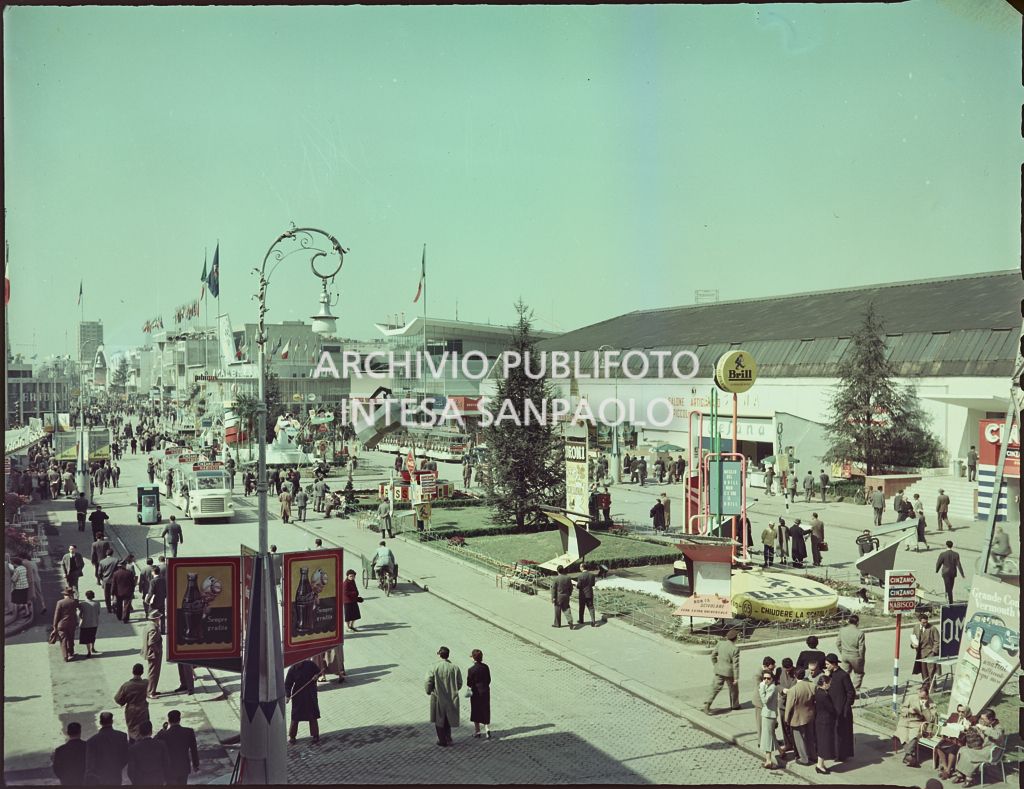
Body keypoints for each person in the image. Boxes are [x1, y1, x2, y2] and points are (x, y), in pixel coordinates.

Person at [953, 708, 1004, 786]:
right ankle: (961, 774)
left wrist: (984, 728)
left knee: (970, 754)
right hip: (983, 748)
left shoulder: (998, 727)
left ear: (990, 719)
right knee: (963, 750)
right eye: (981, 718)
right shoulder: (986, 724)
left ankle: (969, 778)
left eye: (984, 719)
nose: (982, 720)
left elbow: (997, 736)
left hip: (991, 751)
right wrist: (972, 729)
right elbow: (981, 734)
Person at [426, 645, 463, 746]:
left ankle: (442, 740)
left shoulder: (434, 667)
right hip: (451, 697)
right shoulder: (455, 667)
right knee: (447, 718)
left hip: (437, 697)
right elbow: (459, 683)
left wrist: (429, 691)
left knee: (439, 719)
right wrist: (453, 689)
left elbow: (429, 681)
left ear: (439, 655)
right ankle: (448, 737)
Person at [783, 662, 817, 766]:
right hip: (810, 716)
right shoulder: (812, 685)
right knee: (810, 737)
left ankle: (804, 758)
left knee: (799, 739)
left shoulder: (793, 690)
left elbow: (789, 707)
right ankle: (813, 756)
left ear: (795, 675)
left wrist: (786, 719)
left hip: (797, 718)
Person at [84, 711, 130, 786]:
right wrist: (117, 767)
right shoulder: (121, 736)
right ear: (112, 721)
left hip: (100, 778)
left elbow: (90, 764)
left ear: (100, 722)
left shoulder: (92, 741)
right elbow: (126, 757)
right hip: (116, 774)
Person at [895, 686, 936, 767]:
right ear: (918, 694)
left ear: (927, 696)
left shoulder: (931, 703)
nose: (922, 700)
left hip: (918, 723)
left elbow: (931, 719)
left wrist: (925, 708)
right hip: (906, 721)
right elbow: (902, 708)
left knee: (913, 736)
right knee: (903, 734)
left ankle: (908, 756)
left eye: (924, 698)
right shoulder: (911, 697)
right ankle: (910, 756)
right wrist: (908, 710)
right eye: (920, 697)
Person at [824, 653, 856, 761]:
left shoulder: (843, 675)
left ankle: (842, 755)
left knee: (842, 734)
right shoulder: (830, 675)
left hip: (842, 710)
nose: (826, 666)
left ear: (834, 664)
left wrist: (846, 707)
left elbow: (850, 692)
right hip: (833, 709)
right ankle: (835, 753)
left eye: (828, 664)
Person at [155, 710, 199, 785]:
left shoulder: (163, 734)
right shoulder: (189, 732)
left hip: (169, 768)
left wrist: (163, 730)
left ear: (168, 720)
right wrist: (196, 764)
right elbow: (194, 749)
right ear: (179, 720)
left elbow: (154, 742)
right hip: (183, 767)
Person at [284, 657, 321, 744]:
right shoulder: (292, 669)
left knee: (312, 715)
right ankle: (292, 736)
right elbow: (287, 684)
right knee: (295, 716)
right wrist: (288, 695)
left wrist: (317, 676)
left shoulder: (310, 664)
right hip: (298, 695)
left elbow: (319, 671)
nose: (297, 664)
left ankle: (315, 735)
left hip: (310, 693)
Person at [703, 628, 740, 714]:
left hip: (719, 671)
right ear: (735, 638)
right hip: (729, 673)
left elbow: (713, 656)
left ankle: (707, 705)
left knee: (715, 688)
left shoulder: (720, 644)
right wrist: (736, 678)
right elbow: (736, 665)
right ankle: (735, 705)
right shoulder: (735, 649)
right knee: (734, 689)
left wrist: (716, 664)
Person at [114, 664, 151, 742]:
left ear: (132, 672)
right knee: (143, 729)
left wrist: (123, 702)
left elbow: (117, 698)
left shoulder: (126, 686)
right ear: (142, 672)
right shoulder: (145, 683)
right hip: (143, 709)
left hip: (131, 710)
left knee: (132, 730)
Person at [126, 719, 170, 785]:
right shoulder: (161, 745)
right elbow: (166, 764)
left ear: (140, 732)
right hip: (158, 780)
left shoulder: (133, 748)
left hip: (141, 782)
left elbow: (130, 771)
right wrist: (164, 779)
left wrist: (136, 783)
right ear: (151, 731)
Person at [813, 673, 836, 774]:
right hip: (825, 722)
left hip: (819, 720)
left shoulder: (818, 692)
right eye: (829, 684)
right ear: (824, 683)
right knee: (824, 743)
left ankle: (820, 764)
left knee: (821, 742)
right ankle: (819, 765)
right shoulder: (824, 695)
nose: (830, 685)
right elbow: (831, 709)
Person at [911, 613, 941, 692]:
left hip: (930, 653)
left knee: (931, 671)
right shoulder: (916, 628)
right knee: (923, 671)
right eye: (923, 622)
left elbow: (937, 641)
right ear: (919, 621)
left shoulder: (932, 628)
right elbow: (913, 638)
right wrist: (913, 645)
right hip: (920, 653)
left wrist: (934, 652)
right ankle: (925, 686)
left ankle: (932, 687)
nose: (925, 624)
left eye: (926, 622)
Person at [52, 721, 88, 786]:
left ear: (67, 733)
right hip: (85, 782)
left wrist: (65, 778)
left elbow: (56, 769)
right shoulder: (88, 746)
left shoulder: (60, 750)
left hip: (68, 783)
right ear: (80, 732)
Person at [836, 615, 865, 691]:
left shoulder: (842, 630)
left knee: (845, 674)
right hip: (855, 656)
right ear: (857, 622)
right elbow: (861, 648)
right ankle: (854, 690)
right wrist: (861, 658)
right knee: (858, 673)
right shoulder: (860, 633)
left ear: (849, 621)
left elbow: (838, 643)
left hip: (845, 655)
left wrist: (842, 652)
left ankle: (844, 690)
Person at [776, 657, 798, 759]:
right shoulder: (779, 671)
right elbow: (776, 684)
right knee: (784, 725)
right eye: (786, 670)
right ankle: (788, 743)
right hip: (782, 703)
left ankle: (796, 744)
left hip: (793, 703)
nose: (788, 672)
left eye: (790, 669)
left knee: (792, 725)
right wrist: (782, 690)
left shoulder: (797, 671)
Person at [467, 648, 492, 739]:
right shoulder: (485, 667)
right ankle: (487, 728)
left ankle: (477, 731)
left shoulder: (471, 670)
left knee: (476, 710)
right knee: (485, 709)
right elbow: (489, 679)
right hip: (485, 691)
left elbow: (469, 683)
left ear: (473, 658)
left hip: (476, 692)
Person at [758, 668, 780, 770]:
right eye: (764, 678)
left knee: (768, 737)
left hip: (769, 715)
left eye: (768, 678)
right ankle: (781, 751)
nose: (766, 680)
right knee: (771, 735)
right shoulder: (768, 686)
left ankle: (768, 761)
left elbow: (765, 700)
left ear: (772, 679)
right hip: (767, 714)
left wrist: (761, 687)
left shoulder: (771, 687)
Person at [752, 656, 777, 741]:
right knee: (761, 723)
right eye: (771, 668)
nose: (772, 671)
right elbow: (761, 689)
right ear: (765, 666)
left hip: (768, 701)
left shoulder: (768, 671)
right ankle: (761, 741)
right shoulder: (758, 674)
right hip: (760, 702)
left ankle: (771, 739)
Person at [52, 587, 79, 662]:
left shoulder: (60, 602)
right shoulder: (74, 602)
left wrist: (54, 626)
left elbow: (56, 615)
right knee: (71, 638)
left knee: (63, 640)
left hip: (62, 624)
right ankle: (71, 653)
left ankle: (65, 656)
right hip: (72, 624)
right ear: (71, 594)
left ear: (64, 594)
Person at [935, 541, 966, 605]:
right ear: (952, 546)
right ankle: (948, 597)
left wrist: (937, 570)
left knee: (947, 586)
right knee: (950, 586)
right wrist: (962, 574)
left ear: (946, 545)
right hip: (953, 572)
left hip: (945, 573)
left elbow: (939, 563)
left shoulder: (942, 554)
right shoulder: (956, 554)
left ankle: (950, 601)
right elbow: (958, 565)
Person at [142, 611, 163, 697]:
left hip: (150, 653)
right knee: (153, 673)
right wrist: (157, 650)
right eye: (159, 618)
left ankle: (152, 690)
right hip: (153, 654)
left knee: (152, 672)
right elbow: (151, 642)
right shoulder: (153, 628)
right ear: (156, 618)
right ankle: (151, 692)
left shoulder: (148, 626)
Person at [78, 589, 102, 657]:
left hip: (85, 624)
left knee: (87, 638)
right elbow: (98, 612)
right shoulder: (97, 603)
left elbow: (80, 614)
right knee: (92, 636)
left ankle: (89, 651)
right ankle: (93, 648)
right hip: (94, 623)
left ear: (86, 596)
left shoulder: (82, 604)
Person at [550, 565, 574, 629]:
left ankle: (557, 624)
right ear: (563, 570)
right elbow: (571, 587)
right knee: (566, 608)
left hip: (558, 597)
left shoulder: (556, 579)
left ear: (557, 571)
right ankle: (570, 620)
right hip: (566, 596)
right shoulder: (568, 578)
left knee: (557, 609)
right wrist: (569, 594)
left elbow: (553, 589)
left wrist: (553, 597)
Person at [575, 562, 597, 627]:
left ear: (582, 568)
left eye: (580, 567)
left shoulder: (580, 576)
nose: (579, 568)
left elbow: (579, 586)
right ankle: (593, 621)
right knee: (591, 607)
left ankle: (581, 620)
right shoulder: (592, 575)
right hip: (589, 593)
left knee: (581, 607)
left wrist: (576, 585)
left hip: (582, 594)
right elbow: (593, 584)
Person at [98, 547, 119, 613]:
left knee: (107, 595)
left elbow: (99, 573)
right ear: (112, 553)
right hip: (115, 580)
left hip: (106, 580)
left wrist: (102, 579)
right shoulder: (116, 560)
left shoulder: (102, 562)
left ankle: (109, 609)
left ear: (106, 554)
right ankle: (115, 606)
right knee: (115, 594)